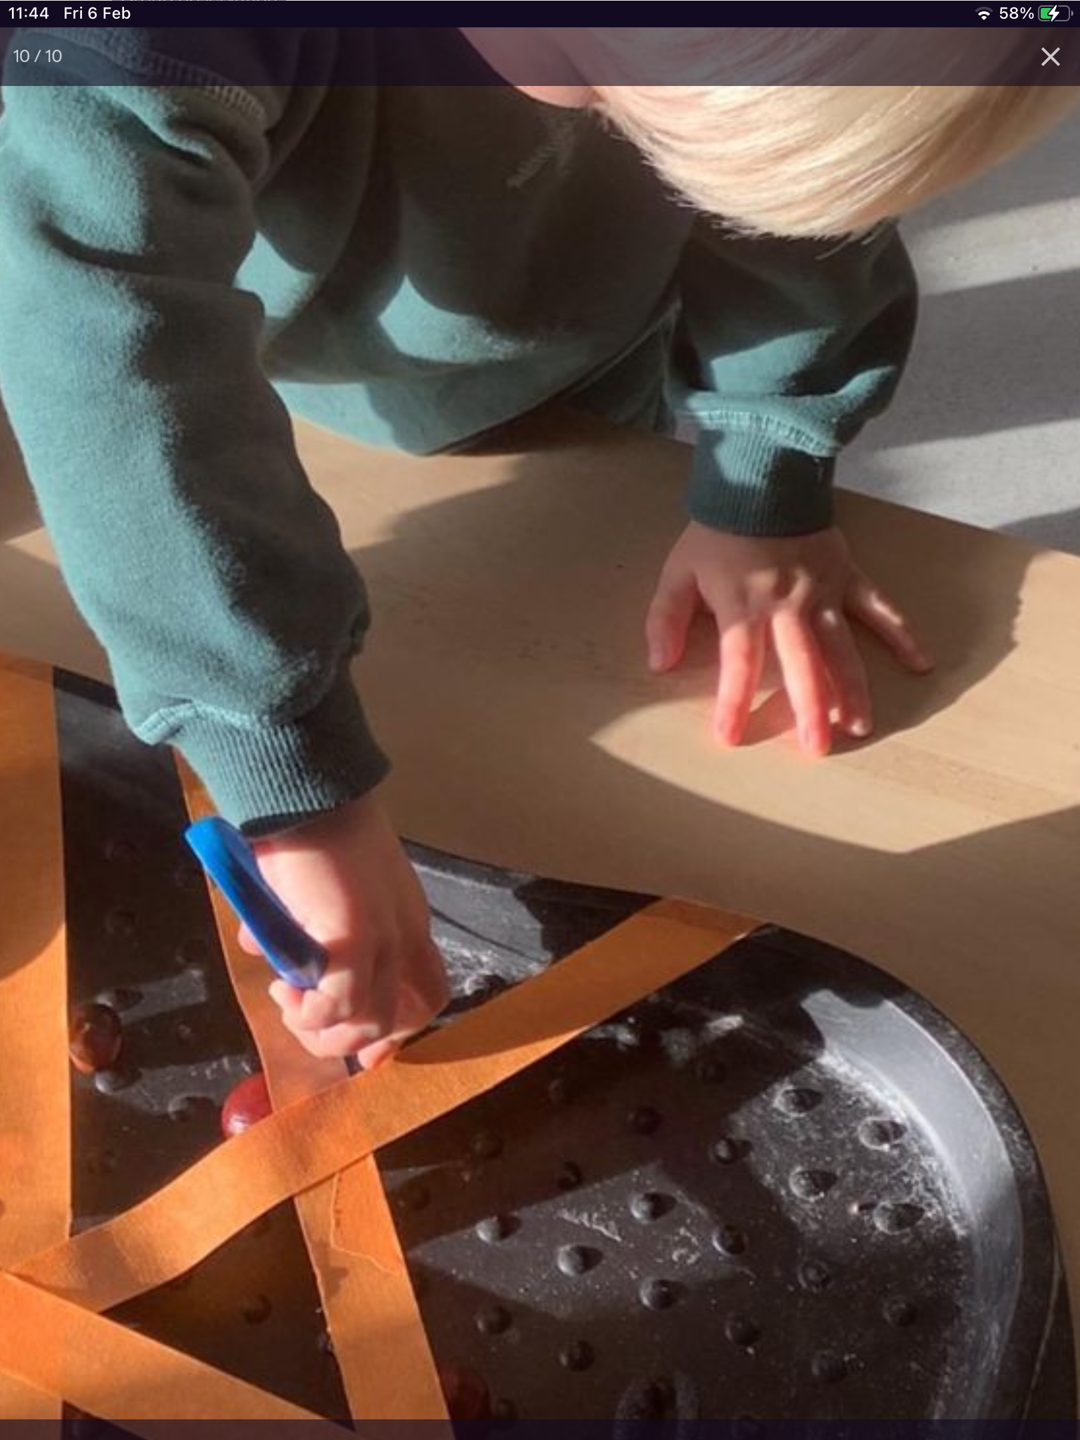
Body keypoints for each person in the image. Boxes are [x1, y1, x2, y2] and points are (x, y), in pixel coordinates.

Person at [0, 25, 1073, 1064]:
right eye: (608, 97)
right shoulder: (137, 50)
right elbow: (111, 351)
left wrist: (765, 463)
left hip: (577, 381)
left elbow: (799, 215)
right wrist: (286, 769)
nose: (602, 126)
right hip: (271, 371)